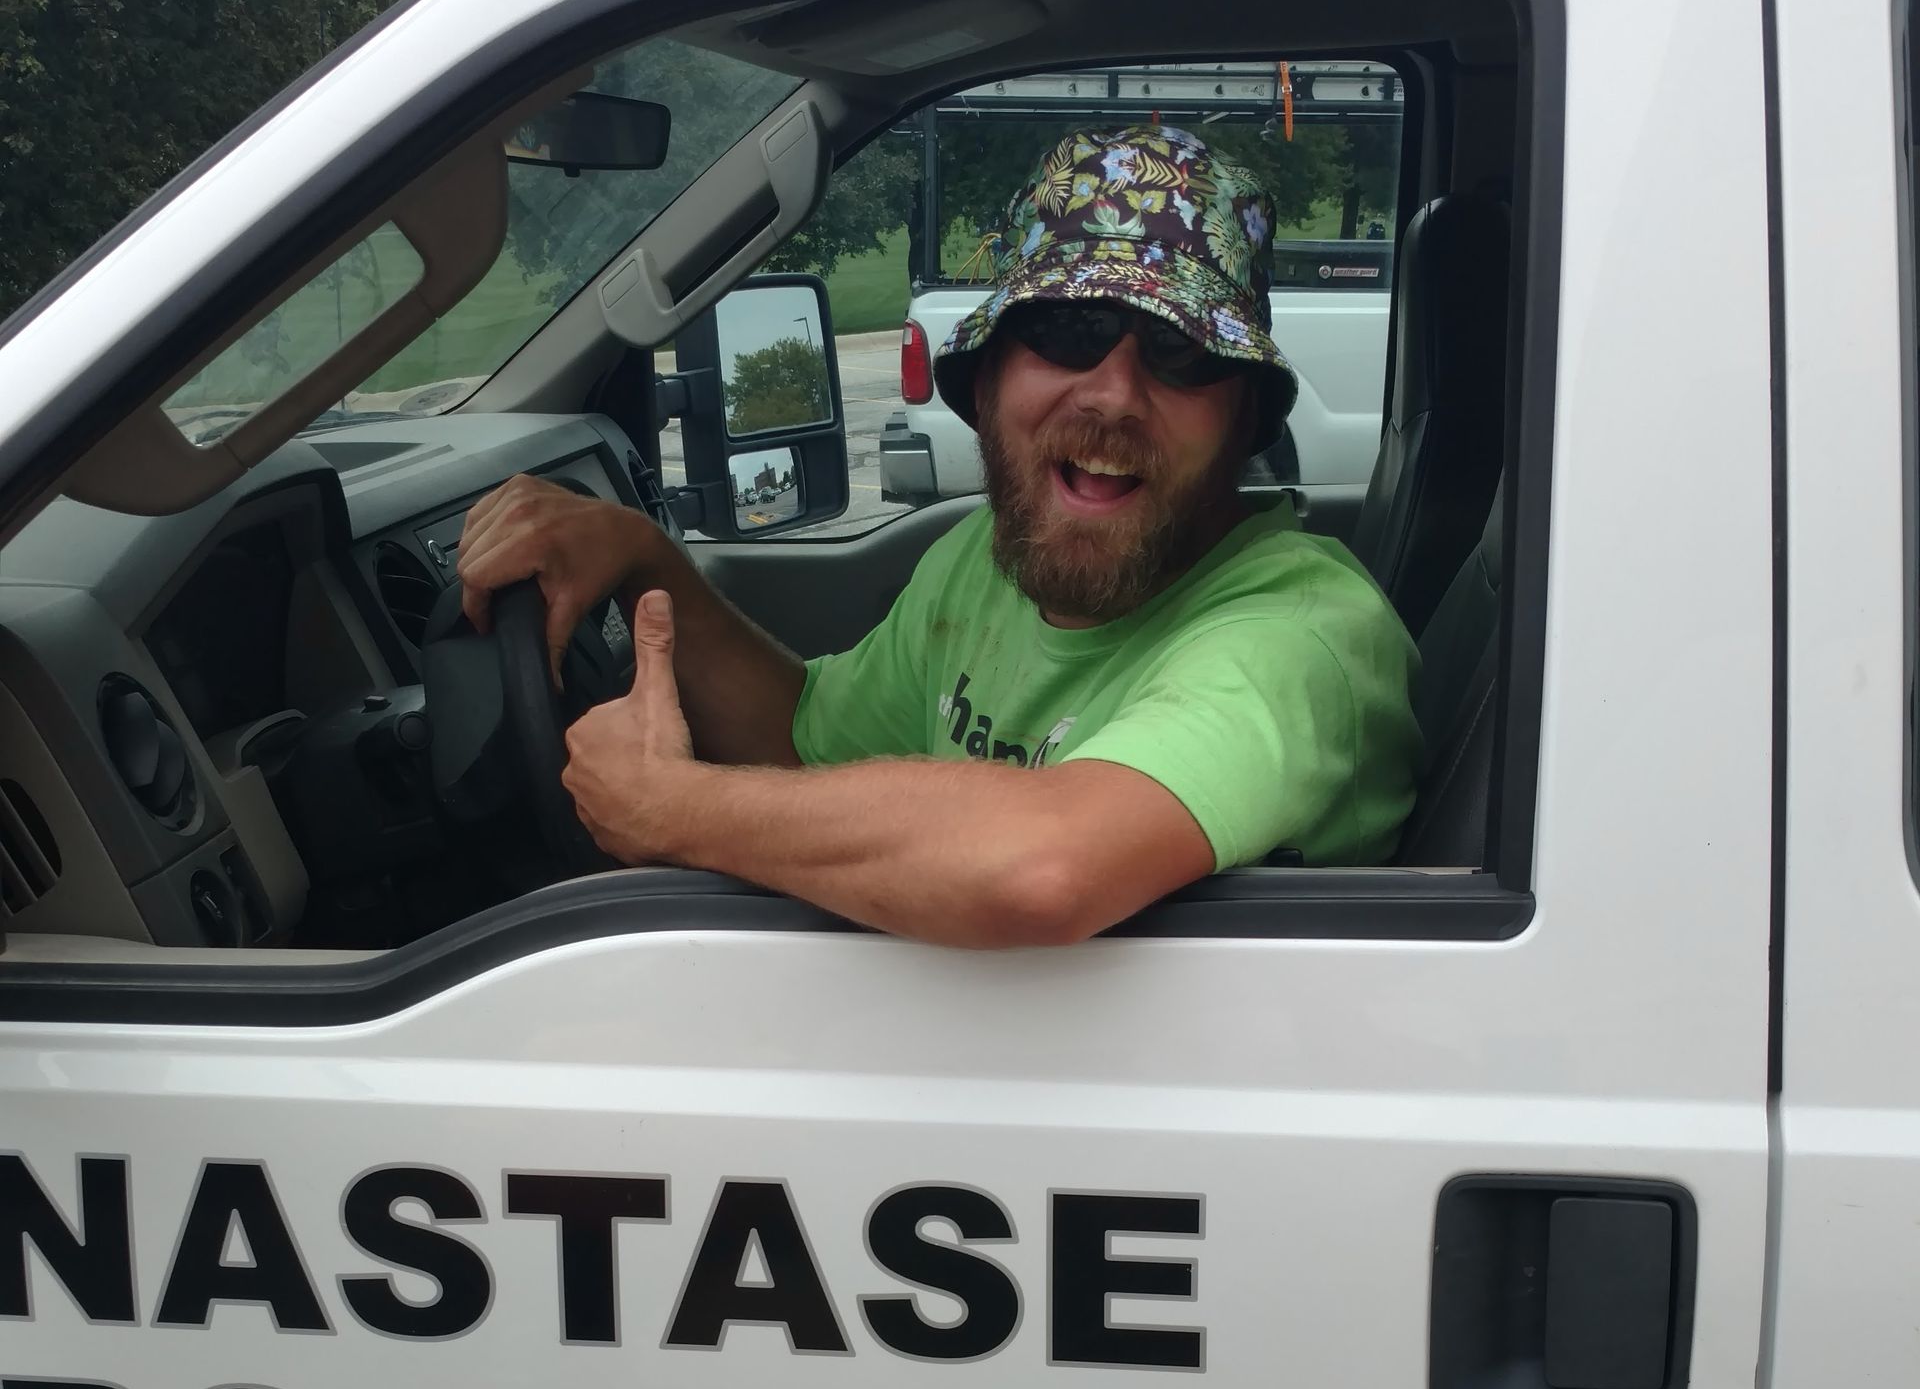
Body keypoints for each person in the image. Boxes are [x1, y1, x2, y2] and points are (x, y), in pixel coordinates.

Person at [456, 122, 1420, 949]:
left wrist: (673, 810)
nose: (1116, 393)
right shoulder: (988, 562)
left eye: (1180, 353)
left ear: (1244, 418)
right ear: (987, 380)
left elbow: (1040, 867)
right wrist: (644, 559)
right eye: (1068, 332)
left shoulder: (1305, 639)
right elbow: (805, 749)